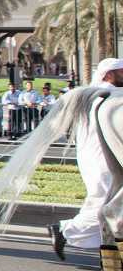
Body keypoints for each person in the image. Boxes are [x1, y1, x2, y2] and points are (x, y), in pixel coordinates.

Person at [50, 58, 123, 259]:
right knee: (105, 203)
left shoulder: (96, 96)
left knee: (107, 204)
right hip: (100, 155)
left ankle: (110, 258)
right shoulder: (104, 97)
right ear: (109, 74)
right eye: (122, 72)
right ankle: (64, 231)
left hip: (100, 153)